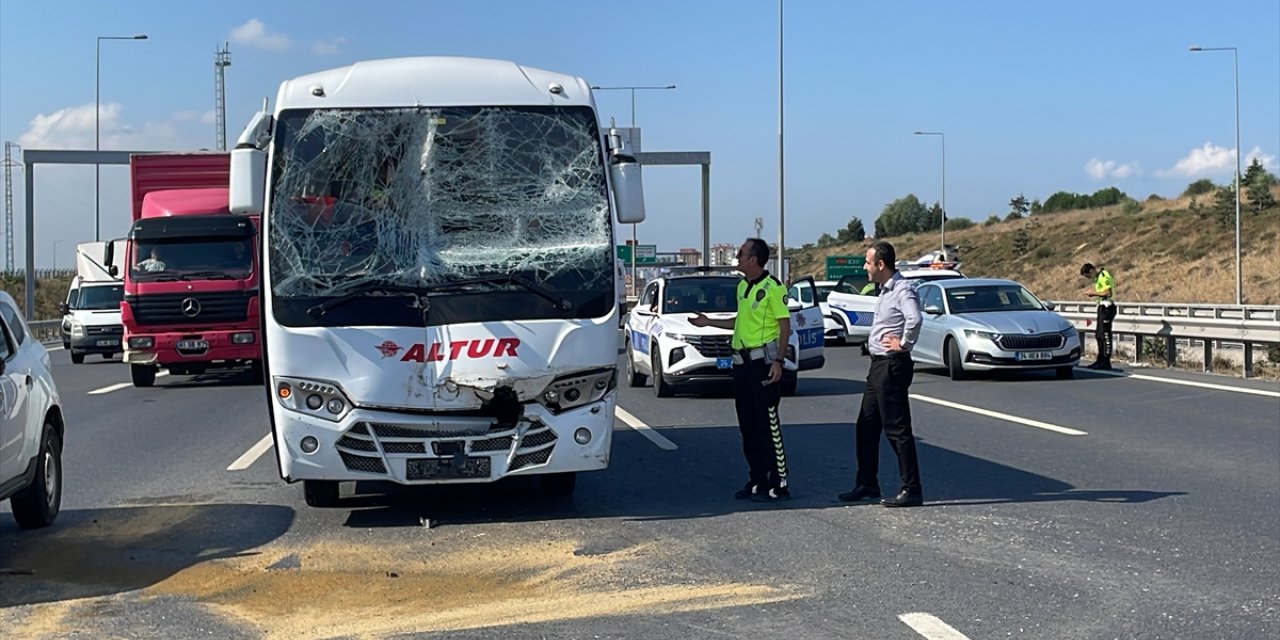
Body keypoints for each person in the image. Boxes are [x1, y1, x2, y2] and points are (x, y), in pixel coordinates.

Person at [690, 238, 792, 502]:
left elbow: (784, 326)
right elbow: (739, 322)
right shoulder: (742, 287)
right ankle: (757, 479)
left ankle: (778, 482)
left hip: (763, 365)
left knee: (767, 425)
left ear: (753, 259)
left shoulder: (773, 288)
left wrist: (779, 361)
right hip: (741, 365)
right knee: (747, 426)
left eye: (741, 254)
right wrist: (708, 321)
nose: (736, 258)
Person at [838, 240, 924, 508]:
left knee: (897, 429)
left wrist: (904, 343)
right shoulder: (884, 291)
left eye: (867, 261)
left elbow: (915, 319)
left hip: (892, 364)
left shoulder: (902, 290)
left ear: (881, 264)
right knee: (866, 426)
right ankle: (867, 483)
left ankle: (912, 488)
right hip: (877, 365)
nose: (865, 266)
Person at [1080, 262, 1116, 370]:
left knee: (1105, 335)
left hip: (1107, 307)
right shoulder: (1097, 278)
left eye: (1088, 275)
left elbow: (1108, 293)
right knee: (1099, 335)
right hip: (1101, 306)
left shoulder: (1103, 275)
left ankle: (1106, 361)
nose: (1088, 278)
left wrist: (1094, 293)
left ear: (1091, 270)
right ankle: (1100, 360)